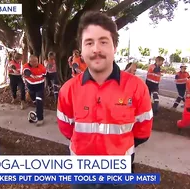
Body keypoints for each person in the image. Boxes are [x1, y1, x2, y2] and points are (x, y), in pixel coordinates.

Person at [57, 11, 153, 189]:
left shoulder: (137, 88)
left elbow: (143, 131)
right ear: (82, 48)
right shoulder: (67, 90)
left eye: (103, 42)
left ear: (114, 47)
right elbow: (67, 129)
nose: (96, 49)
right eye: (89, 43)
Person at [22, 55, 46, 126]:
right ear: (30, 62)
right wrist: (32, 76)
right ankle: (39, 106)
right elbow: (26, 72)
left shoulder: (41, 67)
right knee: (35, 101)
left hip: (40, 86)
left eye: (36, 61)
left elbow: (45, 76)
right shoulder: (26, 66)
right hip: (30, 87)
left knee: (39, 100)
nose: (36, 63)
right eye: (33, 62)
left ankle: (40, 118)